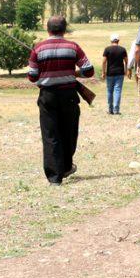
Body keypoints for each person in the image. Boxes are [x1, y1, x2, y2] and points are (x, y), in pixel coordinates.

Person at [28, 16, 94, 186]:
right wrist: (74, 73)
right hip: (69, 95)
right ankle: (65, 167)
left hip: (47, 96)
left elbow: (32, 76)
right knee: (69, 132)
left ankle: (54, 177)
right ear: (64, 30)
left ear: (47, 29)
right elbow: (88, 71)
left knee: (50, 135)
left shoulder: (38, 48)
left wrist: (44, 72)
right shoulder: (73, 47)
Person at [102, 34, 128, 115]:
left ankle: (110, 110)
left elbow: (103, 62)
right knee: (117, 91)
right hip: (120, 73)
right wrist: (126, 70)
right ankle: (116, 110)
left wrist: (103, 72)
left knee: (109, 91)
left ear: (111, 41)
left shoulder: (107, 49)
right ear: (118, 41)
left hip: (110, 73)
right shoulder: (123, 49)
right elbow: (127, 61)